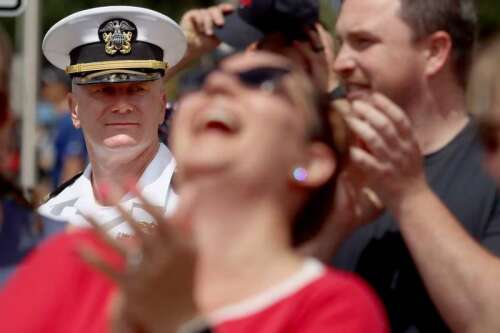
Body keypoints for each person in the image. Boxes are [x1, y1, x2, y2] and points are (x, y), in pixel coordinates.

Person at [0, 51, 388, 333]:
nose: (217, 84)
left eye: (261, 81)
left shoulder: (333, 308)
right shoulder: (72, 259)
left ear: (312, 162)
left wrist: (186, 325)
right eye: (200, 82)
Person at [309, 0, 500, 332]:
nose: (339, 63)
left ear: (435, 52)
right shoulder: (336, 164)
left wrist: (409, 196)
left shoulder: (492, 165)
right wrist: (333, 226)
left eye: (363, 42)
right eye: (341, 43)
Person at [38, 6, 187, 236]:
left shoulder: (202, 206)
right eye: (104, 90)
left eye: (137, 89)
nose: (122, 105)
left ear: (161, 105)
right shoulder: (52, 214)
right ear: (74, 109)